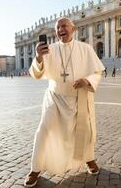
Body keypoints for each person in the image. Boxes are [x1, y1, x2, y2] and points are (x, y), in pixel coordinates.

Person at [24, 17, 105, 187]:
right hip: (55, 97)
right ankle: (35, 169)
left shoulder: (86, 48)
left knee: (86, 130)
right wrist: (39, 57)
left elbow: (97, 71)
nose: (61, 29)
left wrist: (87, 80)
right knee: (43, 130)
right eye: (58, 27)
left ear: (73, 29)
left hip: (79, 97)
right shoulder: (49, 50)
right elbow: (36, 73)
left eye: (64, 26)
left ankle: (89, 159)